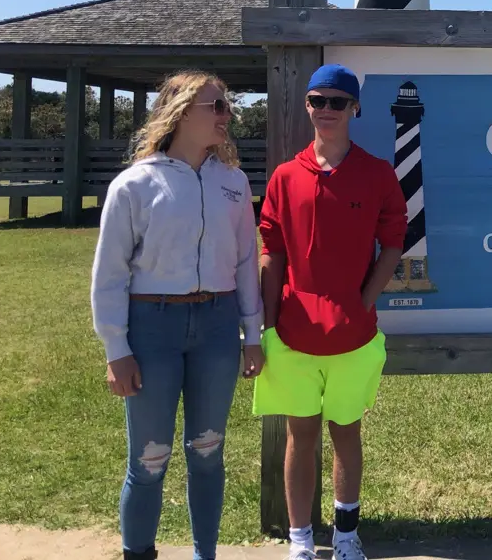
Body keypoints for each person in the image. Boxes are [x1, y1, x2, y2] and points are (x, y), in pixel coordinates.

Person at [90, 71, 265, 560]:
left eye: (227, 106)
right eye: (217, 107)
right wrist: (116, 349)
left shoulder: (232, 183)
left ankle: (204, 553)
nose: (227, 116)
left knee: (208, 453)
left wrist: (252, 334)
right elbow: (109, 273)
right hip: (153, 330)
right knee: (149, 460)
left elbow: (246, 262)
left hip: (216, 327)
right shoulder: (136, 185)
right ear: (183, 111)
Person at [252, 63, 409, 560]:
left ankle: (345, 535)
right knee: (300, 435)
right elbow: (270, 251)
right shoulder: (284, 176)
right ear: (307, 106)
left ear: (355, 108)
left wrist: (364, 301)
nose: (326, 111)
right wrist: (266, 324)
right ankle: (300, 541)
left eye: (337, 102)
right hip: (293, 334)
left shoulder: (377, 173)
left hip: (354, 336)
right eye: (318, 101)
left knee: (347, 433)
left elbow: (393, 245)